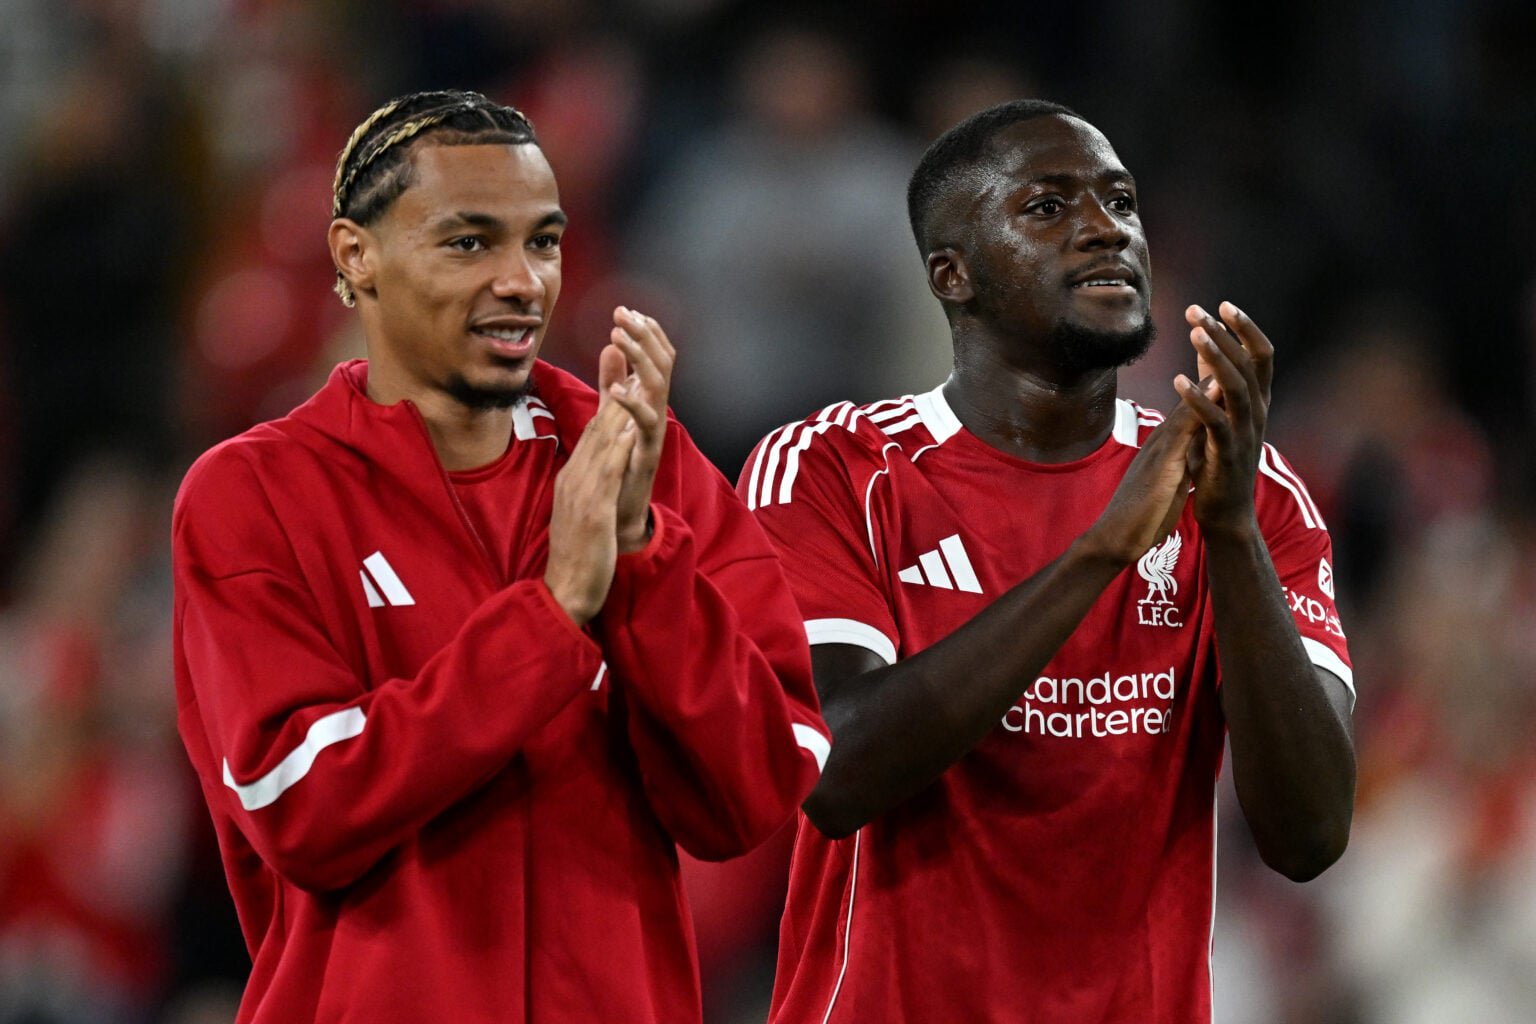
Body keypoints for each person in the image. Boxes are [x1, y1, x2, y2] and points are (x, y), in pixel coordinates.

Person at [171, 90, 829, 1023]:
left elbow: (758, 791)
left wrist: (642, 558)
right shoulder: (255, 492)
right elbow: (301, 803)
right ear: (356, 257)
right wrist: (551, 616)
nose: (522, 280)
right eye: (469, 242)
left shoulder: (637, 458)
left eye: (544, 243)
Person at [740, 99, 1356, 1022]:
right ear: (954, 276)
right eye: (1047, 208)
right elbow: (835, 775)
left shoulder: (1249, 491)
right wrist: (1102, 551)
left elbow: (1309, 834)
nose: (1106, 229)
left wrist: (1226, 535)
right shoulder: (831, 469)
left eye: (1120, 202)